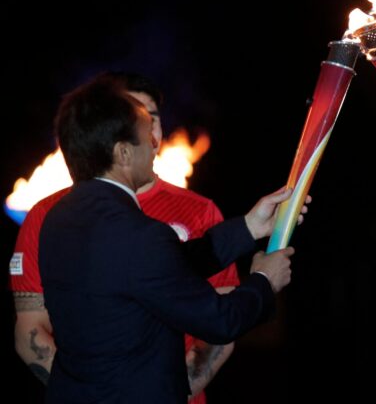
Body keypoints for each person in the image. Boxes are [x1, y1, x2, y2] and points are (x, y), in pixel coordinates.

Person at [33, 77, 300, 403]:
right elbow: (219, 321)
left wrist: (249, 228)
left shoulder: (56, 220)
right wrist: (263, 280)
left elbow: (162, 267)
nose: (156, 144)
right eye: (147, 134)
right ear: (123, 153)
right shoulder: (137, 234)